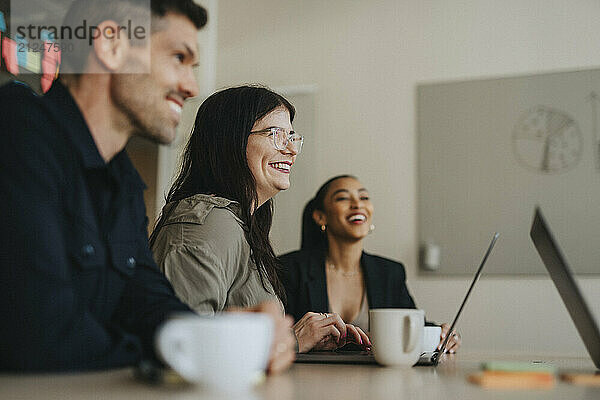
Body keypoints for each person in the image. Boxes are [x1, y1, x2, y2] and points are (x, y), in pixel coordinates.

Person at [0, 0, 294, 373]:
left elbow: (148, 305)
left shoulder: (121, 181)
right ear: (110, 46)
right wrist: (196, 345)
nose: (191, 86)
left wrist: (225, 334)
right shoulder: (16, 133)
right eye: (178, 58)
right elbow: (39, 332)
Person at [150, 86, 371, 353]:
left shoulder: (238, 223)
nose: (292, 150)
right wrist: (293, 341)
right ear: (231, 140)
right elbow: (181, 347)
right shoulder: (209, 223)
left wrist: (294, 338)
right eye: (276, 135)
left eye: (292, 137)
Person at [280, 175, 461, 353]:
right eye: (343, 198)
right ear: (321, 217)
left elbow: (412, 325)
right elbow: (276, 335)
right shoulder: (288, 268)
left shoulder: (389, 272)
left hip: (375, 381)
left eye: (364, 197)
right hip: (306, 379)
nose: (357, 204)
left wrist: (443, 334)